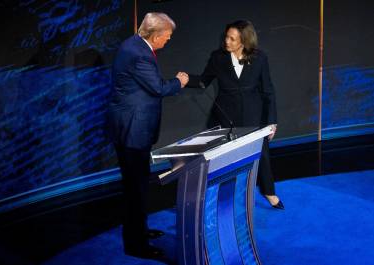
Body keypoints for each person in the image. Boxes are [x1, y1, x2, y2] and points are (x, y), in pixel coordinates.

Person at [106, 12, 189, 260]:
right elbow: (158, 88)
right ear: (154, 35)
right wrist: (179, 81)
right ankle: (136, 244)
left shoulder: (134, 45)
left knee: (138, 187)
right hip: (132, 131)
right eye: (167, 36)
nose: (168, 40)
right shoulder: (139, 54)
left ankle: (139, 231)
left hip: (131, 128)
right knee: (135, 190)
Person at [187, 20, 284, 209]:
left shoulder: (260, 58)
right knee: (224, 160)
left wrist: (272, 121)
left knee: (262, 156)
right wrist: (184, 80)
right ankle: (222, 197)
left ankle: (269, 192)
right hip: (225, 118)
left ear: (244, 41)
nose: (227, 41)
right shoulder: (218, 58)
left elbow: (268, 91)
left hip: (253, 117)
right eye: (226, 37)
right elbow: (203, 81)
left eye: (232, 38)